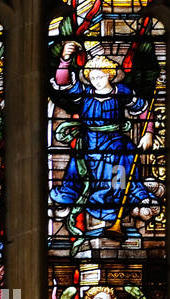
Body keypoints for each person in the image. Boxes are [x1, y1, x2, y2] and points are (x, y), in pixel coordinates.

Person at [49, 44, 159, 243]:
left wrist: (148, 133)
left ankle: (119, 207)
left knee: (119, 173)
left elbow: (144, 110)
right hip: (90, 143)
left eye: (100, 76)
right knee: (80, 171)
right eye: (92, 78)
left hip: (115, 143)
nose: (96, 81)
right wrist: (65, 59)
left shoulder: (122, 91)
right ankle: (75, 201)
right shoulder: (85, 93)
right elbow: (62, 81)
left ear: (109, 75)